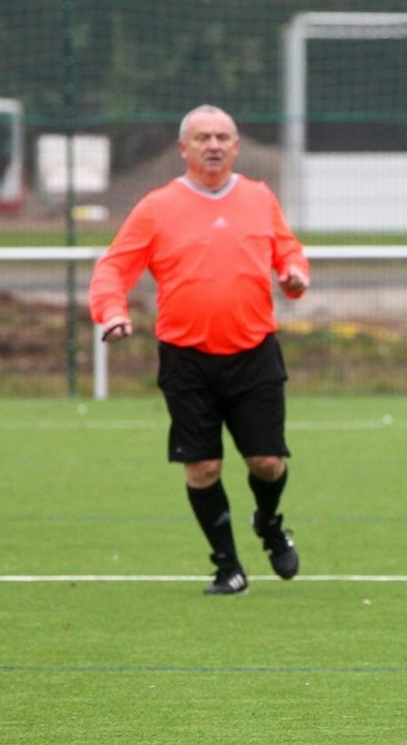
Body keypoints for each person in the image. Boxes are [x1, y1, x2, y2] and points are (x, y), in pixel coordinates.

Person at [89, 105, 310, 595]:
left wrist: (294, 275)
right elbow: (113, 267)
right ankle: (228, 567)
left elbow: (288, 252)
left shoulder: (259, 197)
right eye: (203, 137)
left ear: (236, 146)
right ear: (182, 148)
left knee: (267, 462)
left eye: (222, 137)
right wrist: (112, 311)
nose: (213, 145)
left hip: (254, 352)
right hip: (186, 358)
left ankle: (269, 524)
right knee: (203, 467)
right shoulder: (157, 207)